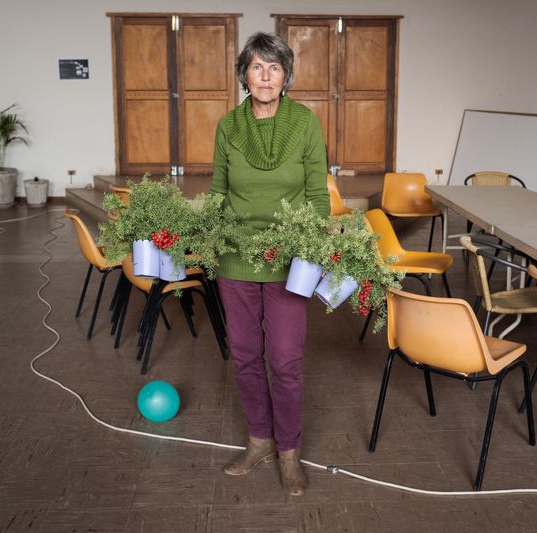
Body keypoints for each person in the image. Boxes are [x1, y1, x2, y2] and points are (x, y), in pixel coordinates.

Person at [210, 32, 330, 496]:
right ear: (244, 74)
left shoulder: (305, 123)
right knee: (244, 357)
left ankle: (289, 452)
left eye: (275, 68)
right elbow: (219, 192)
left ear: (286, 77)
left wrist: (314, 247)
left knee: (285, 359)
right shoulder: (227, 126)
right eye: (257, 67)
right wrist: (196, 234)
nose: (265, 76)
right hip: (235, 259)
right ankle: (260, 440)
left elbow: (318, 196)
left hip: (289, 260)